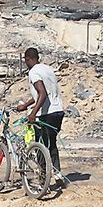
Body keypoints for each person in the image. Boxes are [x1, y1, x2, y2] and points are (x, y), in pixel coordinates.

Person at [17, 48, 67, 187]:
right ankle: (57, 174)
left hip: (46, 114)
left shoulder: (33, 72)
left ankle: (43, 180)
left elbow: (42, 93)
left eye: (25, 60)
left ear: (27, 59)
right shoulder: (48, 69)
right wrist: (26, 105)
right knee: (51, 143)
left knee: (39, 145)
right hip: (58, 112)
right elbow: (43, 93)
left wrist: (33, 113)